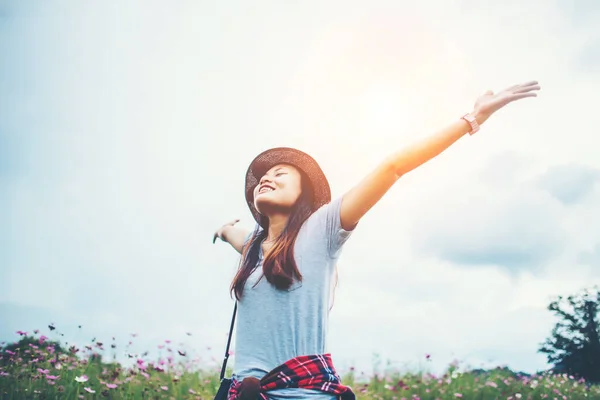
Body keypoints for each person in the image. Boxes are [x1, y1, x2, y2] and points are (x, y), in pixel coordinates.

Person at [212, 81, 541, 400]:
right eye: (263, 178)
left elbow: (393, 167)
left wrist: (471, 119)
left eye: (280, 174)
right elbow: (238, 238)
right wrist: (224, 230)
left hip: (301, 393)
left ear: (303, 194)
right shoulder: (254, 248)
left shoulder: (321, 229)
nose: (267, 178)